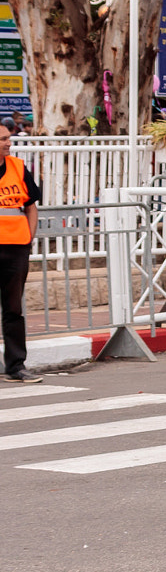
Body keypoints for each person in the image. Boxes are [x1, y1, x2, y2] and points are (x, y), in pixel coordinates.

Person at [0, 121, 43, 383]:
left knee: (13, 310)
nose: (9, 142)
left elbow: (31, 206)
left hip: (15, 249)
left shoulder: (17, 167)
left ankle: (16, 366)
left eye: (8, 138)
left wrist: (29, 238)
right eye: (4, 139)